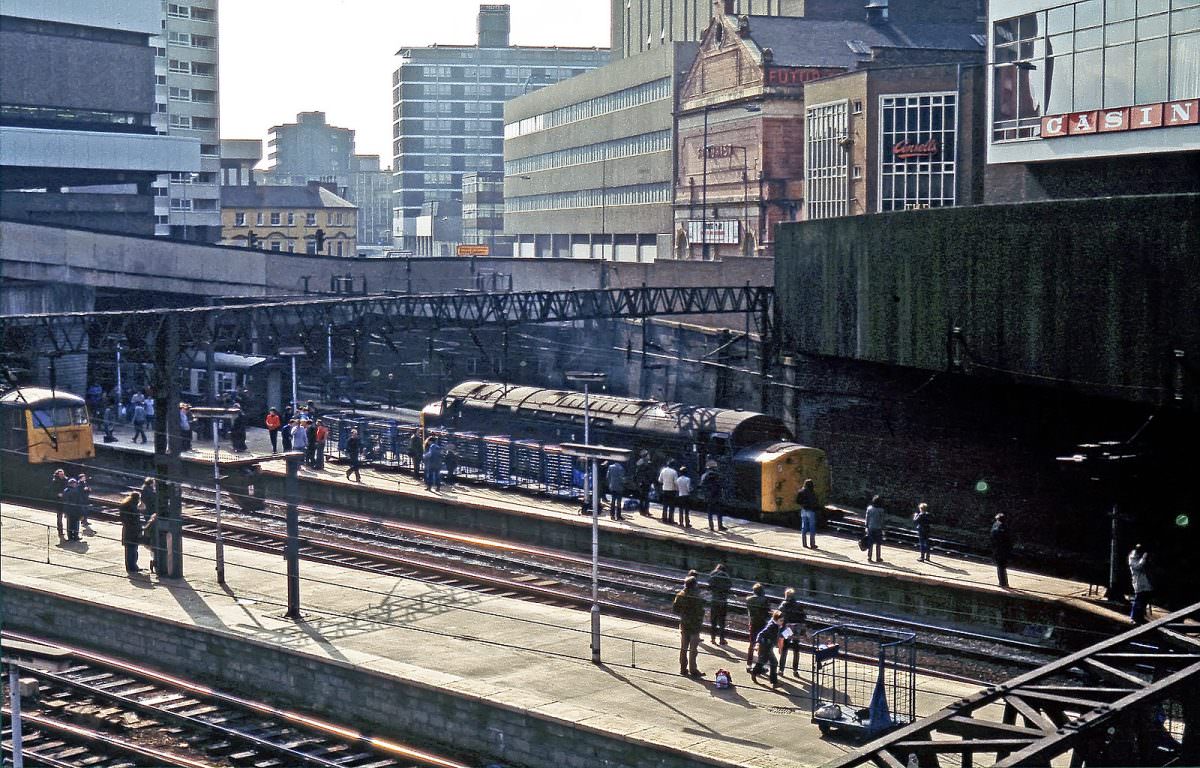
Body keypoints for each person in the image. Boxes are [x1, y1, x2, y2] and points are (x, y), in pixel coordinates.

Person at [672, 575, 706, 678]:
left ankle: (683, 668)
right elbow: (701, 610)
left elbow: (675, 609)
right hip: (695, 625)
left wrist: (683, 614)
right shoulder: (697, 596)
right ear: (695, 585)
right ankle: (693, 670)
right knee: (693, 649)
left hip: (684, 624)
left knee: (683, 648)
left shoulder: (680, 595)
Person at [776, 588, 808, 677]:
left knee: (784, 649)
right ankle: (795, 670)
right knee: (796, 649)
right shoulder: (799, 605)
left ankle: (781, 669)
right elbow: (803, 618)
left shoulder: (783, 605)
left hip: (787, 629)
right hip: (796, 629)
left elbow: (778, 616)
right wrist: (803, 631)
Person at [751, 610, 787, 688]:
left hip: (768, 646)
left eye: (782, 620)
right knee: (772, 662)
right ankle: (773, 682)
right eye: (781, 621)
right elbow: (761, 633)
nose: (782, 622)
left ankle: (755, 672)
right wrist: (758, 643)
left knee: (765, 661)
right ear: (776, 620)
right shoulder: (771, 626)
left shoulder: (775, 625)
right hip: (766, 646)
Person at [745, 583, 770, 671]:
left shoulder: (749, 600)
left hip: (753, 623)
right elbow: (767, 613)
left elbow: (749, 613)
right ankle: (760, 665)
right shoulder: (765, 600)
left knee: (752, 643)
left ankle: (749, 664)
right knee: (761, 644)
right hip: (762, 624)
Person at [707, 563, 732, 645]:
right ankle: (721, 639)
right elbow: (729, 586)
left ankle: (713, 638)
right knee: (722, 622)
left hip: (714, 600)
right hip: (723, 602)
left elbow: (709, 585)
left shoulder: (713, 576)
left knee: (713, 621)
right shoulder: (726, 577)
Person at [119, 492, 143, 572]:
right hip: (132, 531)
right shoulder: (133, 507)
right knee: (132, 550)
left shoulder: (126, 505)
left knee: (130, 550)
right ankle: (132, 567)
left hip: (128, 531)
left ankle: (131, 567)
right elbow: (134, 520)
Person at [1128, 544, 1153, 624]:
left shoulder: (1141, 556)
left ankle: (1140, 616)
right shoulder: (1132, 557)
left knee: (1144, 600)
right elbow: (1138, 566)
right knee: (1138, 599)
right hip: (1138, 581)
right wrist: (1144, 558)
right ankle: (1133, 617)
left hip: (1145, 581)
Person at [700, 461, 724, 531]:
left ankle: (711, 527)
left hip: (709, 497)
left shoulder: (704, 475)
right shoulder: (718, 475)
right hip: (717, 496)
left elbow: (701, 485)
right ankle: (720, 526)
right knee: (719, 512)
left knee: (710, 512)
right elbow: (722, 484)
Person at [796, 478, 820, 549]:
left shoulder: (801, 491)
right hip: (811, 511)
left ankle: (804, 544)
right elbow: (815, 502)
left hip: (803, 510)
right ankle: (812, 544)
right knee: (812, 528)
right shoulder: (812, 492)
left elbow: (797, 501)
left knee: (804, 527)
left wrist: (803, 504)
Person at [990, 513, 1012, 588]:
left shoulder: (996, 526)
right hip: (1004, 549)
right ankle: (1004, 582)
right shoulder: (1006, 527)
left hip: (999, 549)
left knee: (1000, 566)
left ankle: (1002, 583)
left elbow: (993, 537)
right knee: (1002, 566)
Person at [864, 495, 886, 563]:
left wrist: (866, 526)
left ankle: (869, 557)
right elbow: (882, 521)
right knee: (878, 543)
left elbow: (867, 518)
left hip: (870, 527)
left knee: (870, 543)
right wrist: (883, 529)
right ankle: (878, 557)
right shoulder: (881, 510)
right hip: (878, 528)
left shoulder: (869, 508)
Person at [633, 450, 654, 516]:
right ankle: (645, 511)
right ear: (646, 455)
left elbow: (637, 474)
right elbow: (648, 474)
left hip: (641, 482)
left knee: (642, 497)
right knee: (646, 497)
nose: (649, 456)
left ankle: (642, 511)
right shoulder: (646, 463)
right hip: (645, 482)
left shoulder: (640, 463)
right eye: (648, 455)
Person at [49, 469, 68, 538]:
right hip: (59, 502)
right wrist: (57, 494)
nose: (62, 475)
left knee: (69, 517)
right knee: (59, 517)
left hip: (66, 501)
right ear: (57, 475)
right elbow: (52, 491)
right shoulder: (55, 481)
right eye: (60, 474)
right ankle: (60, 531)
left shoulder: (66, 480)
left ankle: (70, 532)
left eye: (63, 474)